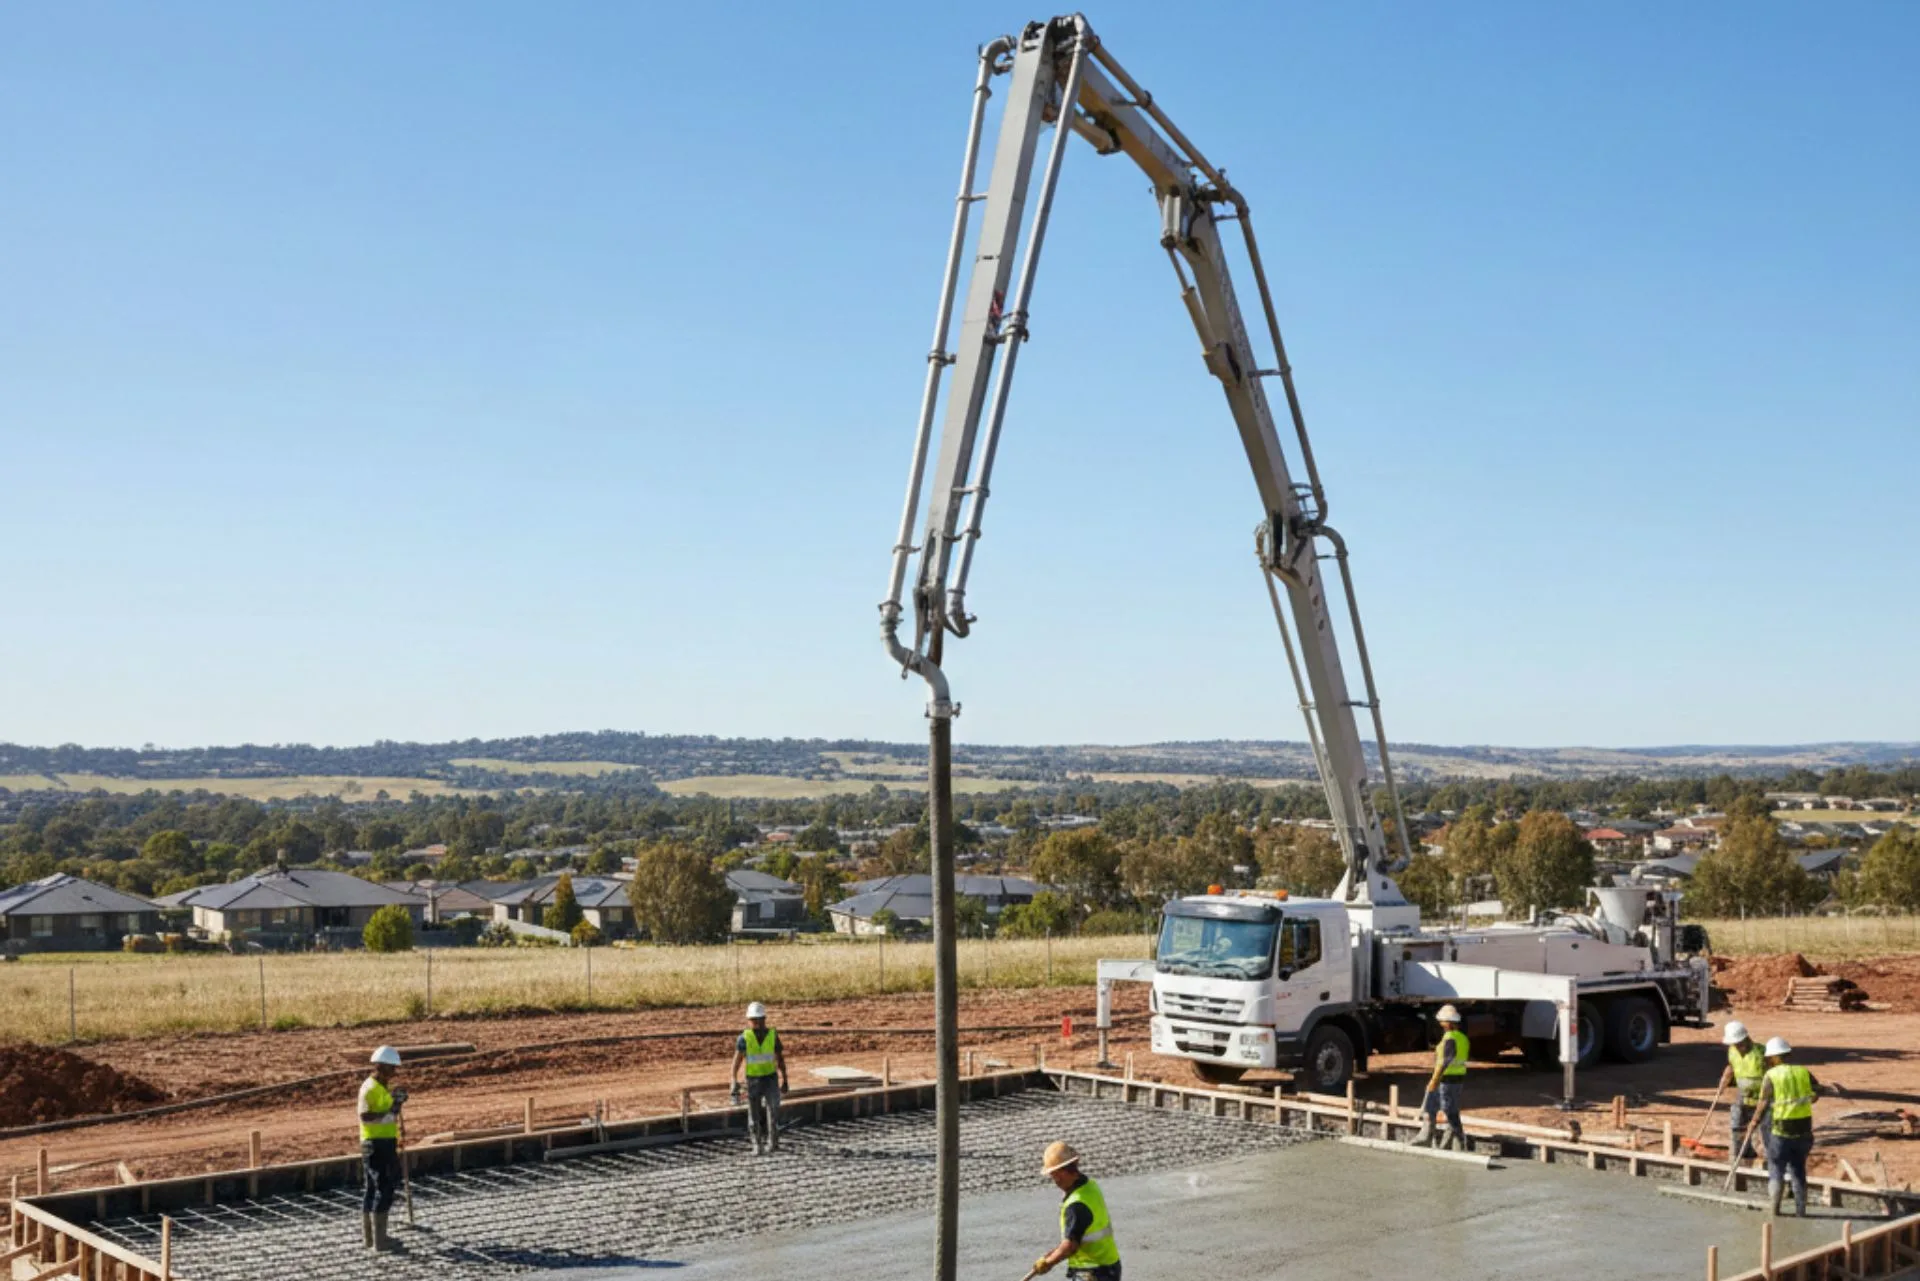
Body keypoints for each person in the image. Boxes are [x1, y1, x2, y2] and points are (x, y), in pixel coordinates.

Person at [1030, 1141, 1120, 1281]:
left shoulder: (1076, 1205)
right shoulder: (1090, 1186)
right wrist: (1050, 1256)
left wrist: (1048, 1263)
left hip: (1092, 1272)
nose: (1055, 1180)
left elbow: (1070, 1246)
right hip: (1110, 1266)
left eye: (1053, 1175)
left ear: (1060, 1173)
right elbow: (1077, 1236)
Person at [1755, 1036, 1820, 1218]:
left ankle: (1774, 1212)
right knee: (1798, 1170)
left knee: (1776, 1170)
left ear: (1774, 1057)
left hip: (1781, 1130)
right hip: (1804, 1130)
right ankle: (1801, 1213)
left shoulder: (1771, 1075)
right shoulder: (1803, 1072)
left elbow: (1763, 1102)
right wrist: (1809, 1099)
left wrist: (1754, 1121)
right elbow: (1817, 1091)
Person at [358, 1045, 408, 1251]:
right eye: (391, 1068)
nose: (394, 1072)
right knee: (385, 1187)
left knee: (373, 1188)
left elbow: (387, 1110)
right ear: (379, 1066)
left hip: (383, 1142)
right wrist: (392, 1111)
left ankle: (371, 1239)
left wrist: (396, 1103)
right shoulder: (370, 1088)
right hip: (376, 1145)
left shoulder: (381, 1086)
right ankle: (380, 1241)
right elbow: (365, 1117)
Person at [729, 1001, 789, 1155]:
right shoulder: (744, 1038)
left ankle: (773, 1143)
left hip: (770, 1079)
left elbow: (780, 1059)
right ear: (749, 1021)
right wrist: (733, 1080)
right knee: (753, 1115)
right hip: (752, 1080)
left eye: (759, 1020)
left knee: (773, 1112)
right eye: (753, 1020)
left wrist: (785, 1080)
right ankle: (757, 1145)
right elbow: (736, 1061)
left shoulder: (772, 1036)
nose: (756, 1023)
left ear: (764, 1019)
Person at [1412, 1005, 1468, 1149]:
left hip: (1446, 1079)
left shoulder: (1450, 1038)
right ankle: (1434, 1139)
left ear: (1448, 1023)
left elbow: (1445, 1061)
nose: (1440, 1024)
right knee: (1432, 1106)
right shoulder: (1462, 1038)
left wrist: (1434, 1080)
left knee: (1448, 1111)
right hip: (1456, 1079)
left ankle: (1458, 1141)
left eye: (1442, 1021)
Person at [1718, 1020, 1768, 1165]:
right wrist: (1724, 1081)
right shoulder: (1732, 1051)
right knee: (1737, 1121)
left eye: (1739, 1044)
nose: (1737, 1047)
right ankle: (1741, 1154)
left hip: (1763, 1095)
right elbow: (1731, 1066)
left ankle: (1769, 1159)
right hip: (1743, 1093)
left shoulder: (1762, 1052)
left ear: (1746, 1039)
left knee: (1762, 1127)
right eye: (1734, 1044)